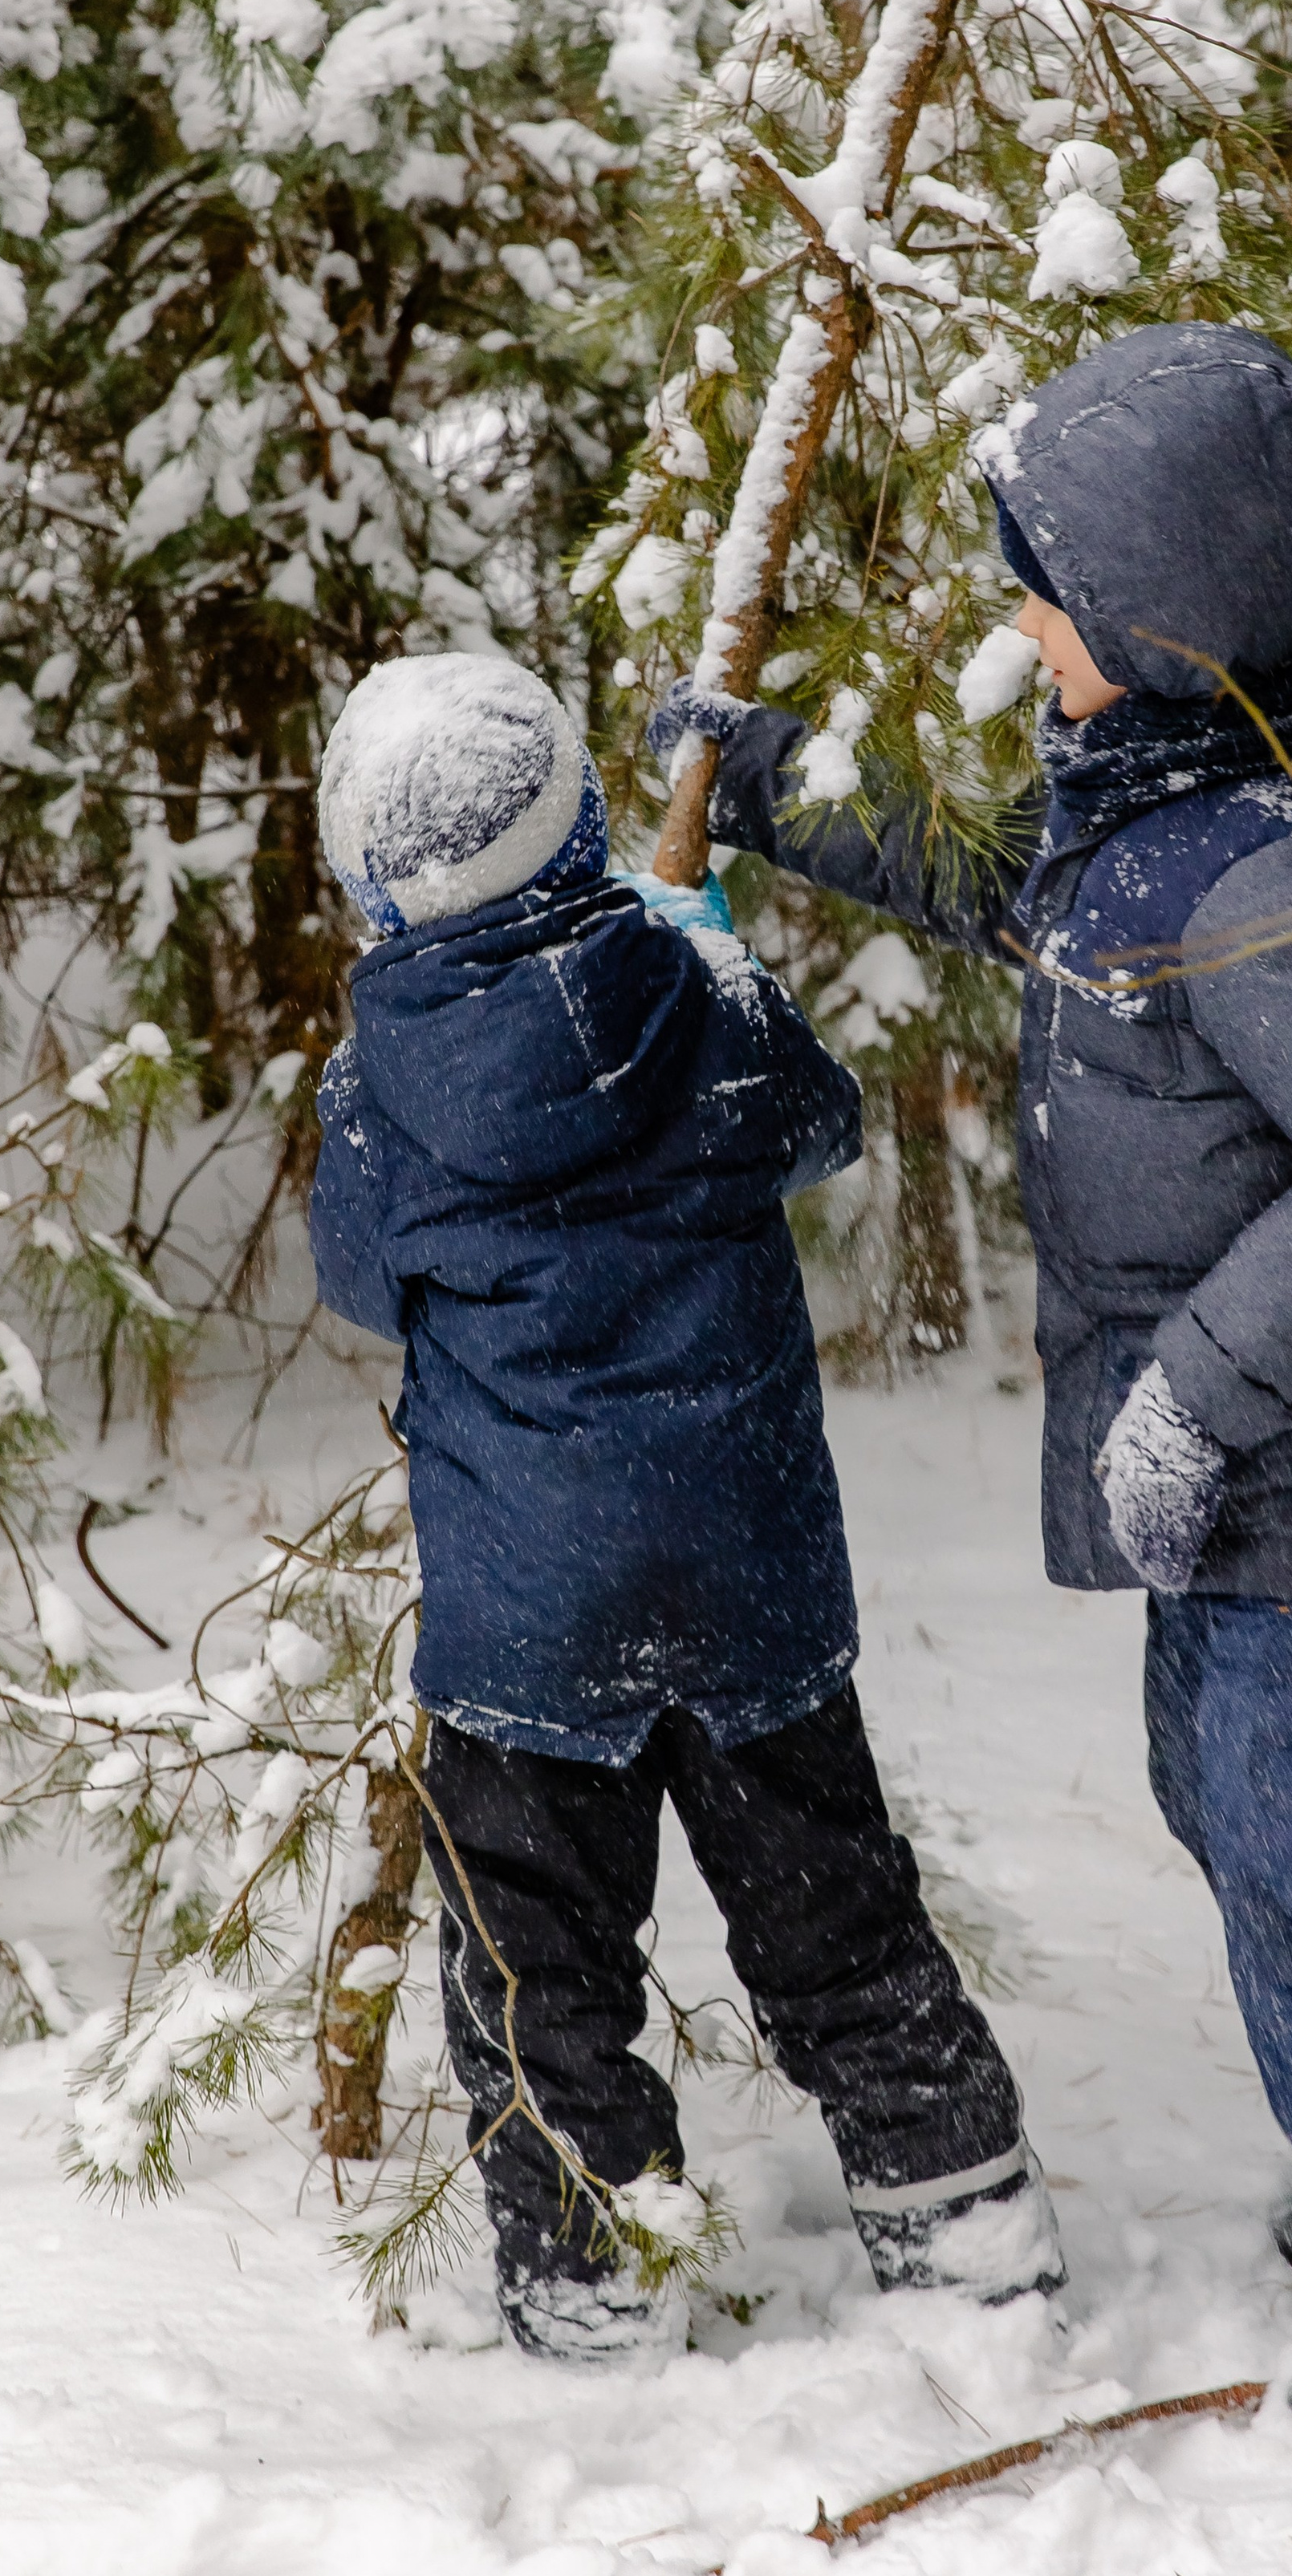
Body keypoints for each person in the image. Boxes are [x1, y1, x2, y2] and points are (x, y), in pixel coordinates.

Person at [651, 323, 1292, 2438]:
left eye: (1044, 595)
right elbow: (1017, 904)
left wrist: (1197, 1402)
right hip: (1249, 1447)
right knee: (1229, 1802)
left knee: (1281, 1819)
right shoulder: (1159, 794)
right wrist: (784, 786)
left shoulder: (1284, 875)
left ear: (1158, 623)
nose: (1019, 626)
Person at [308, 651, 1062, 2362]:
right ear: (582, 817)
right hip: (749, 1587)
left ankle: (587, 2277)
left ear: (375, 883)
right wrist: (702, 943)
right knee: (837, 1921)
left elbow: (362, 1278)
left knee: (537, 1969)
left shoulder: (378, 1090)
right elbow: (819, 1116)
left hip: (528, 1624)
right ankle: (964, 2223)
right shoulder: (691, 1003)